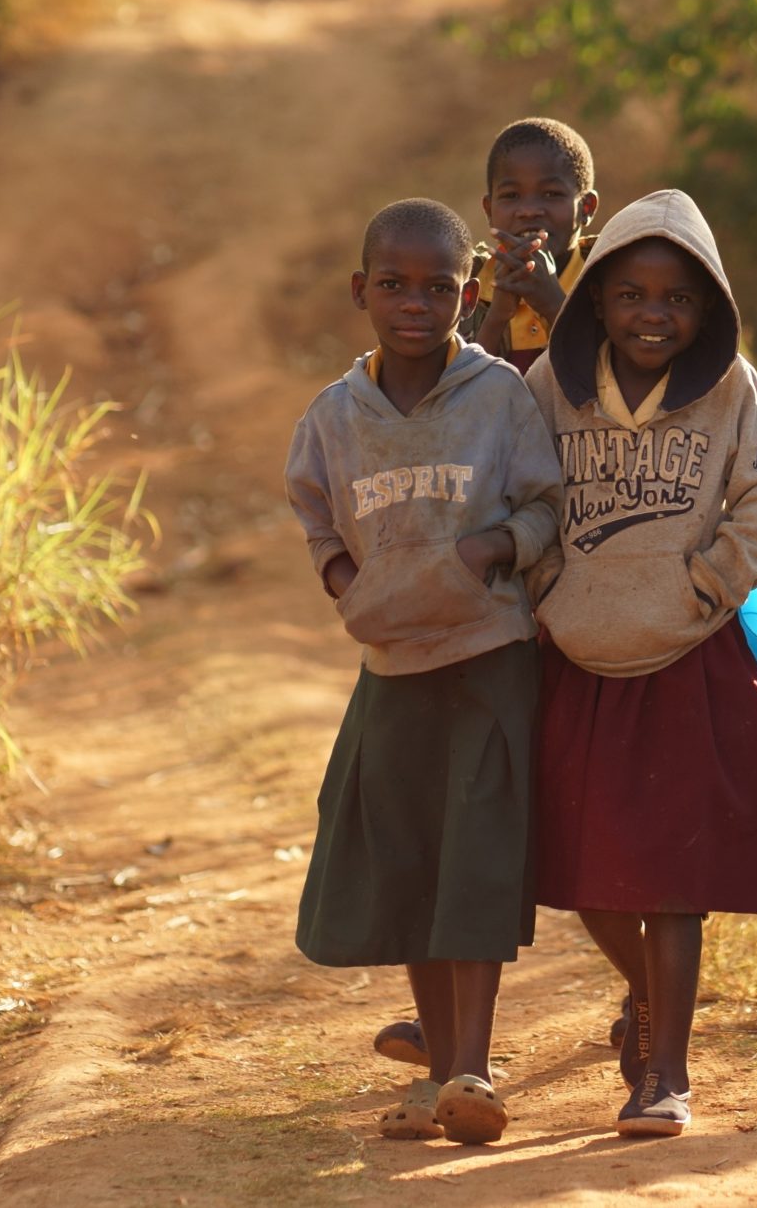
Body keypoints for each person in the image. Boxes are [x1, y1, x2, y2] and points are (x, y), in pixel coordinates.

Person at [283, 197, 564, 1146]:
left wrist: (494, 547)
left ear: (467, 292)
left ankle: (473, 1069)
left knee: (476, 857)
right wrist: (342, 578)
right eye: (394, 284)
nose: (416, 302)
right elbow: (316, 511)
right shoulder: (334, 414)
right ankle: (439, 1073)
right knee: (406, 857)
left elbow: (546, 506)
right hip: (392, 662)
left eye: (439, 286)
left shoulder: (498, 397)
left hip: (489, 660)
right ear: (362, 290)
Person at [523, 189, 757, 1139]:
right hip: (581, 658)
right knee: (592, 871)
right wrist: (548, 587)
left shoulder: (732, 389)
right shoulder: (549, 388)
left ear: (708, 308)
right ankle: (647, 996)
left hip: (689, 657)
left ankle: (665, 1076)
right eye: (631, 293)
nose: (653, 313)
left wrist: (711, 583)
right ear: (595, 300)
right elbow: (515, 492)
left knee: (676, 876)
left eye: (677, 298)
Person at [464, 117, 603, 374]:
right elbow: (455, 400)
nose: (528, 211)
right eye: (511, 196)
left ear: (586, 208)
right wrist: (497, 315)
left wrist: (553, 304)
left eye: (551, 194)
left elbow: (609, 383)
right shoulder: (464, 284)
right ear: (489, 210)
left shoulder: (607, 282)